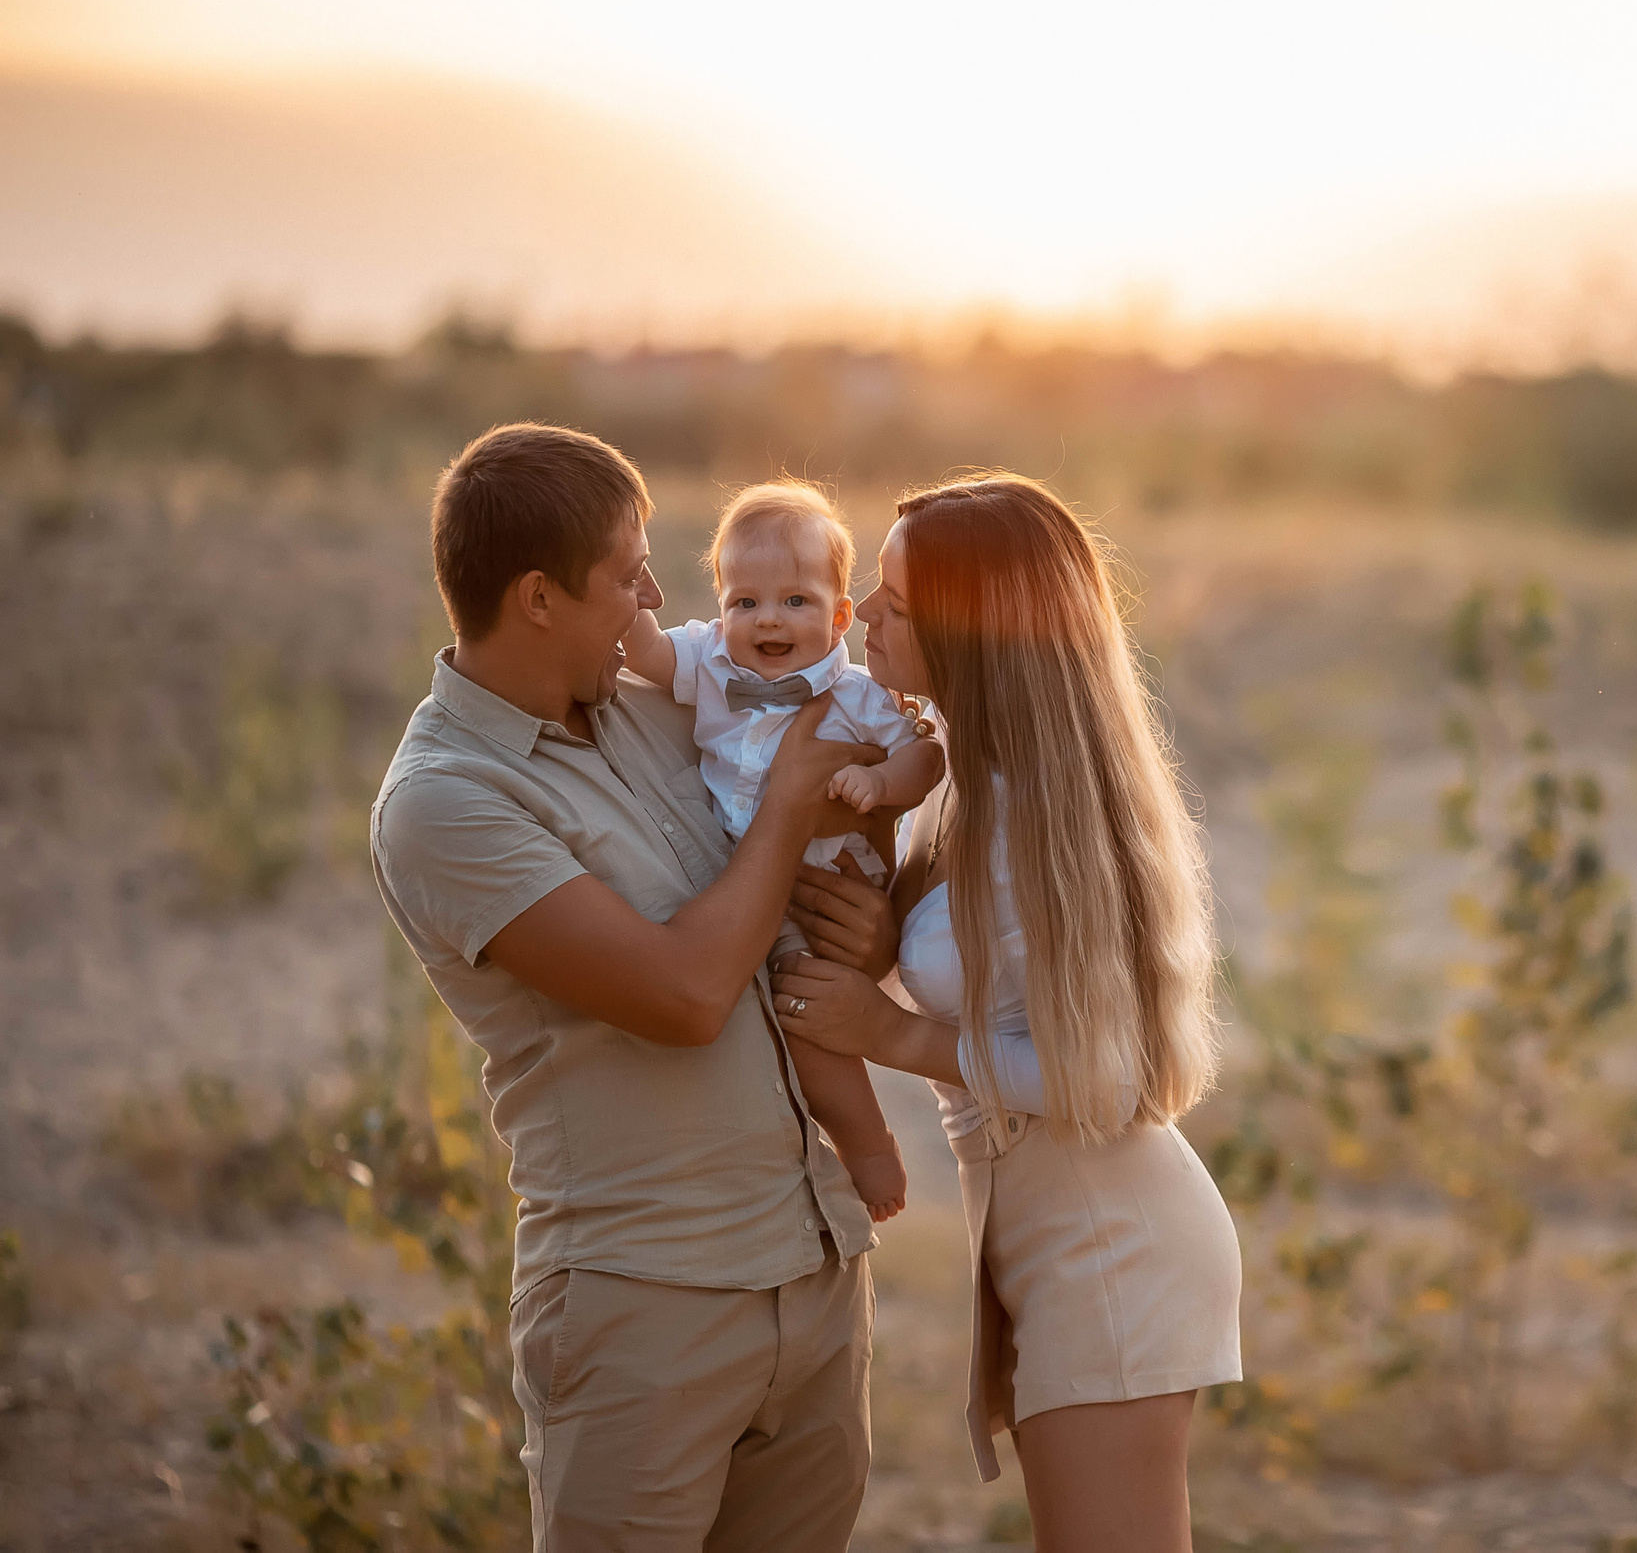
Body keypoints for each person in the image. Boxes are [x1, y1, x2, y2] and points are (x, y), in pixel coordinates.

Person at [369, 423, 883, 1553]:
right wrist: (794, 803)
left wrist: (867, 917)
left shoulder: (658, 705)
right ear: (540, 598)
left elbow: (788, 888)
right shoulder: (447, 803)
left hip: (812, 1271)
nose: (658, 595)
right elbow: (686, 994)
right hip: (644, 1309)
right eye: (627, 573)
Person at [768, 470, 1243, 1553]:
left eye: (896, 600)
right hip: (1046, 1223)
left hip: (1108, 1239)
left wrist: (891, 1036)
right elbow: (999, 989)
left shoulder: (1042, 816)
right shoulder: (963, 781)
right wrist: (887, 952)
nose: (865, 618)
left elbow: (1114, 1084)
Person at [621, 477, 949, 1222]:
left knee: (807, 1017)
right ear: (720, 608)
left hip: (825, 875)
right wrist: (632, 605)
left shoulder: (861, 695)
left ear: (838, 617)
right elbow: (646, 655)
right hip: (743, 877)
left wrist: (878, 780)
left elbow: (926, 760)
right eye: (746, 601)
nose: (768, 619)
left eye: (795, 601)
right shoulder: (708, 661)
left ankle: (867, 1145)